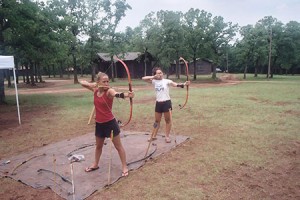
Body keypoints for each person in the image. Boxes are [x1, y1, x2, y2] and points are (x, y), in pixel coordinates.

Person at [80, 72, 134, 177]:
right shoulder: (95, 90)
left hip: (110, 124)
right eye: (103, 81)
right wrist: (92, 85)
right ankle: (95, 164)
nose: (106, 83)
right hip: (99, 125)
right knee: (98, 146)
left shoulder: (109, 91)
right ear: (98, 82)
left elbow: (116, 94)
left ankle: (124, 166)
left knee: (118, 146)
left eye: (107, 81)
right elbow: (82, 82)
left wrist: (127, 95)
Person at [142, 67, 190, 143]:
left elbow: (175, 84)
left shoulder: (166, 81)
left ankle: (167, 136)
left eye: (161, 73)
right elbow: (143, 78)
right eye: (158, 73)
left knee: (168, 120)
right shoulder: (154, 81)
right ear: (155, 74)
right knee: (156, 121)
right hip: (158, 103)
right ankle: (153, 135)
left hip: (166, 103)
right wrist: (153, 77)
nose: (160, 74)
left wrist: (184, 84)